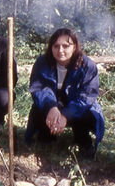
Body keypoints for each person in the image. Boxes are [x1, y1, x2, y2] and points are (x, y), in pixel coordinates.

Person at [24, 28, 105, 159]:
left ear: (74, 47)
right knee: (39, 109)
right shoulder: (42, 62)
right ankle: (47, 136)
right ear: (51, 47)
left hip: (77, 106)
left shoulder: (87, 66)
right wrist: (51, 107)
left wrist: (66, 115)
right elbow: (38, 88)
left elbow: (87, 96)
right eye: (56, 46)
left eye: (65, 46)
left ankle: (83, 140)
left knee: (87, 112)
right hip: (54, 105)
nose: (60, 50)